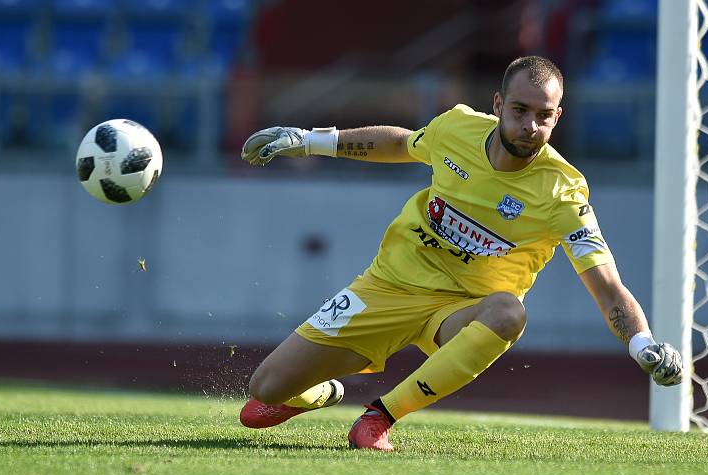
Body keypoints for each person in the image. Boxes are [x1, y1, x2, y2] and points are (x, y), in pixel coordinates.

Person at [237, 56, 683, 451]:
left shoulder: (563, 193)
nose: (530, 126)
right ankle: (328, 393)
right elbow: (400, 143)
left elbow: (606, 284)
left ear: (557, 116)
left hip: (459, 313)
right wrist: (308, 140)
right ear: (497, 105)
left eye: (544, 116)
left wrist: (642, 344)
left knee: (509, 313)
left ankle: (381, 417)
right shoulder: (456, 130)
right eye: (520, 110)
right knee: (264, 393)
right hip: (388, 286)